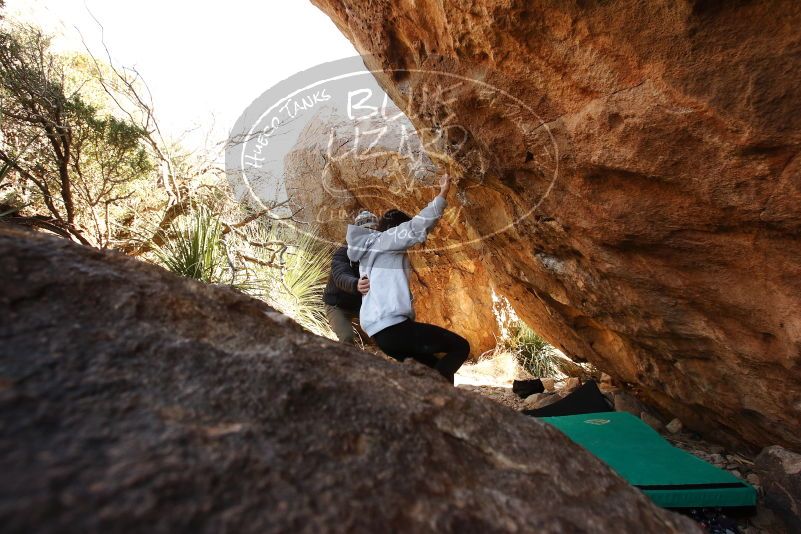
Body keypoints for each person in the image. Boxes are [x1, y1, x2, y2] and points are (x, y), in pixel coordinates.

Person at [346, 175, 470, 383]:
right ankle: (444, 402)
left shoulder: (365, 254)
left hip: (380, 335)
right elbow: (416, 227)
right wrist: (442, 193)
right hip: (395, 328)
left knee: (431, 369)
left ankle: (433, 404)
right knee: (460, 347)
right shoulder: (386, 240)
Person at [323, 210, 377, 344]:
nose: (369, 235)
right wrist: (356, 284)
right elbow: (341, 275)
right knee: (347, 338)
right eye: (366, 230)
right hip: (337, 306)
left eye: (373, 231)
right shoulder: (342, 253)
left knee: (381, 337)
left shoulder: (376, 255)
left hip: (362, 307)